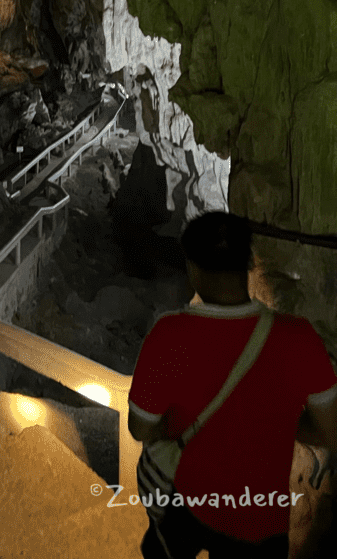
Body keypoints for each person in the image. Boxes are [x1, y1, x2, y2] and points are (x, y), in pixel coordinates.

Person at [127, 210, 337, 558]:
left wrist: (176, 425)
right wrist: (285, 424)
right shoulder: (298, 338)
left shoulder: (168, 336)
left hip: (187, 502)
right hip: (260, 519)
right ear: (251, 262)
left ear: (192, 267)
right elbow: (330, 430)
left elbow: (140, 427)